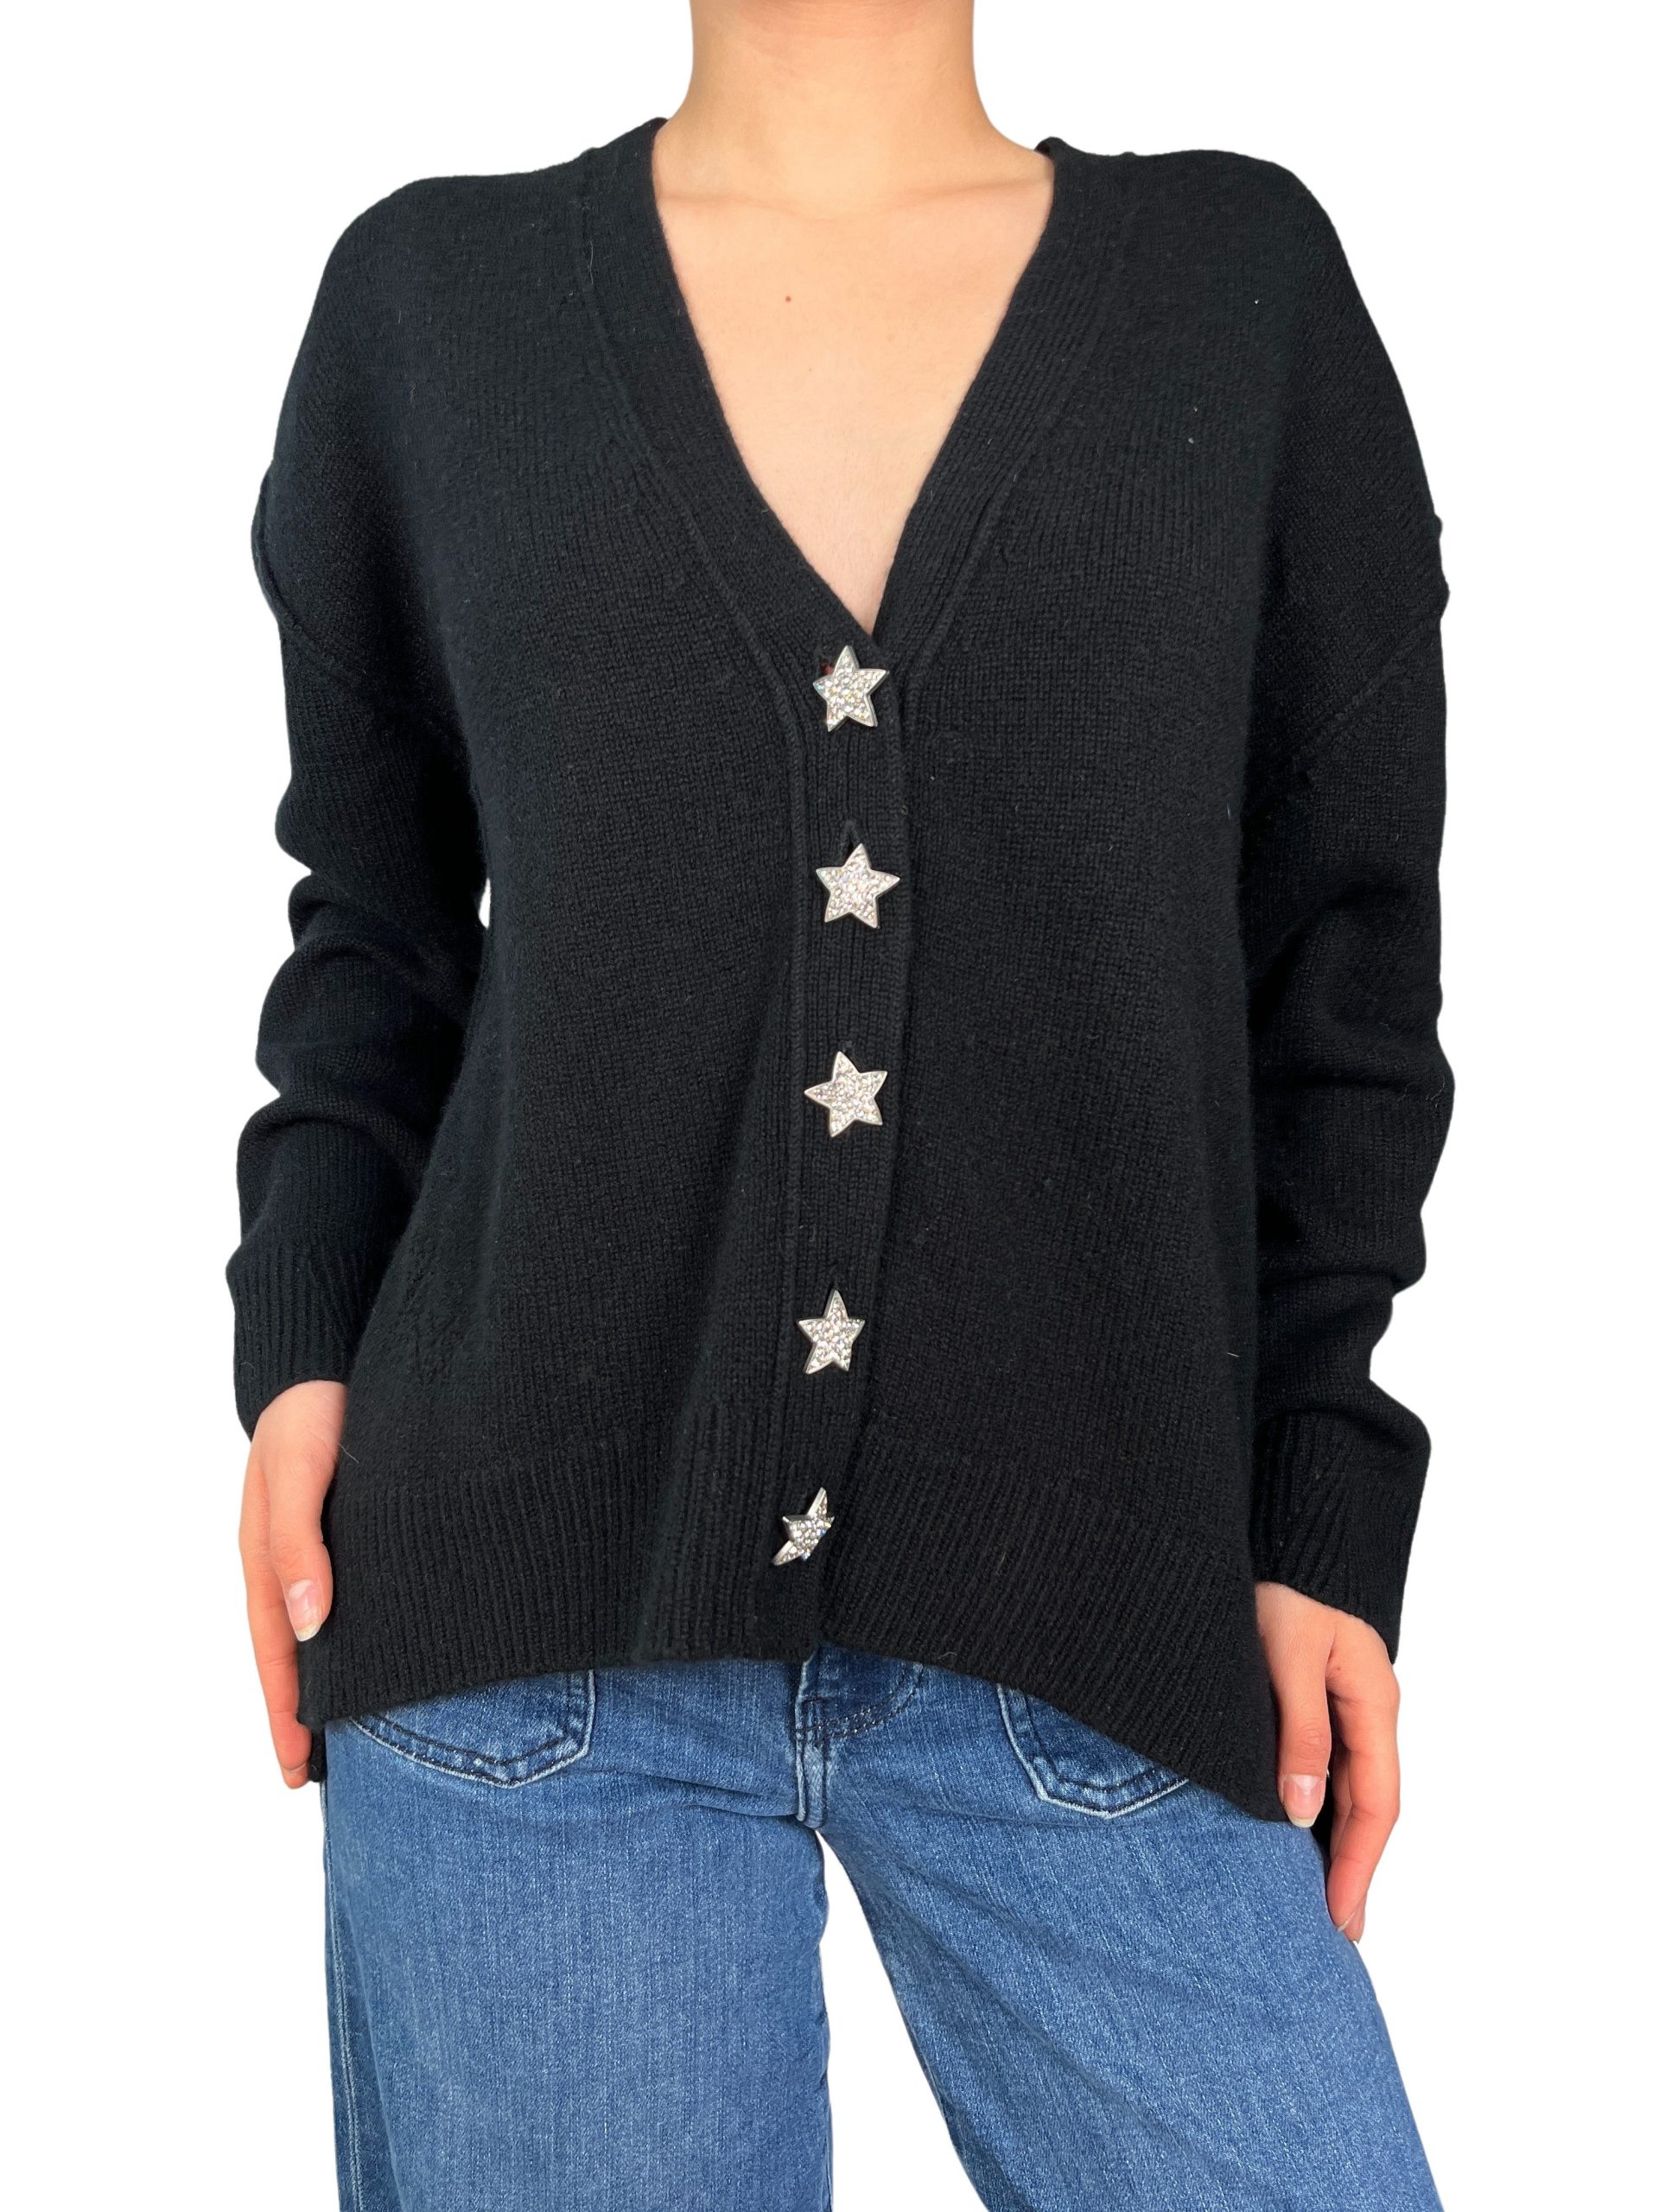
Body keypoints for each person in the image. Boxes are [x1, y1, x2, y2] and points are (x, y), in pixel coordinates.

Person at [231, 3, 1451, 2204]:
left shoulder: (1240, 292)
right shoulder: (431, 306)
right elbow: (376, 928)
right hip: (530, 1640)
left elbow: (1344, 959)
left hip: (1113, 1610)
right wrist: (303, 1341)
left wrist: (1324, 1496)